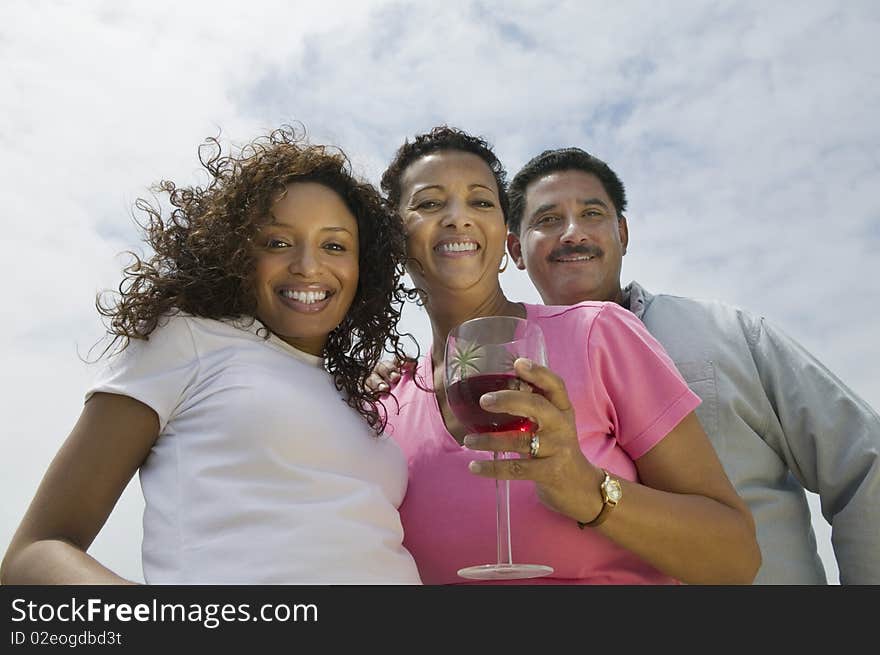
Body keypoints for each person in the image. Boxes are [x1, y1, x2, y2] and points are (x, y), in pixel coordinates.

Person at [0, 126, 422, 585]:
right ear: (239, 251)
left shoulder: (357, 396)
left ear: (365, 268)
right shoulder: (187, 338)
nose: (308, 265)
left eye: (335, 246)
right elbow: (34, 554)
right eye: (278, 242)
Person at [376, 125, 760, 585]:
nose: (459, 218)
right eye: (430, 203)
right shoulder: (384, 403)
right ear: (392, 234)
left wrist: (591, 492)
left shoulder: (598, 334)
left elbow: (736, 558)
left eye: (480, 202)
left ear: (505, 239)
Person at [504, 146, 880, 584]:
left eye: (592, 214)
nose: (573, 233)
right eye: (548, 220)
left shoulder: (732, 334)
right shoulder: (510, 374)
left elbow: (862, 459)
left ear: (622, 233)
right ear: (515, 248)